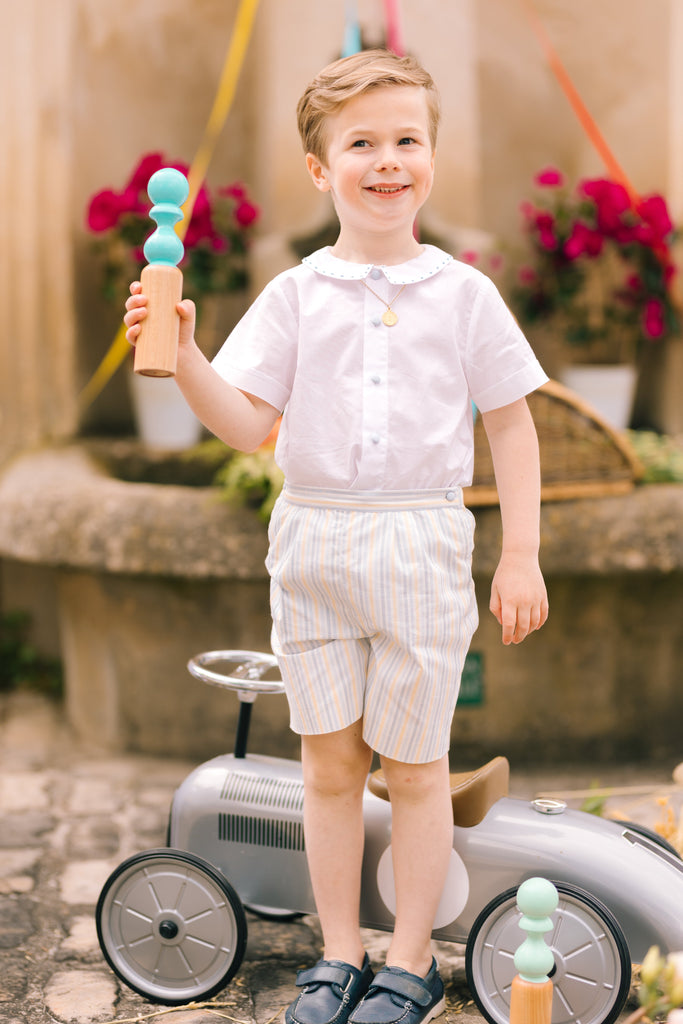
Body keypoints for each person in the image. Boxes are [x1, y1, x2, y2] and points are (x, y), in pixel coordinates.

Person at [125, 48, 549, 1024]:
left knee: (414, 769)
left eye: (405, 139)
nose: (386, 160)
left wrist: (520, 554)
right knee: (327, 767)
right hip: (313, 545)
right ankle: (338, 951)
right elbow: (245, 423)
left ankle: (409, 960)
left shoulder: (463, 294)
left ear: (431, 155)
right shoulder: (295, 294)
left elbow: (511, 424)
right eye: (361, 143)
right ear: (320, 170)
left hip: (420, 545)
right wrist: (184, 352)